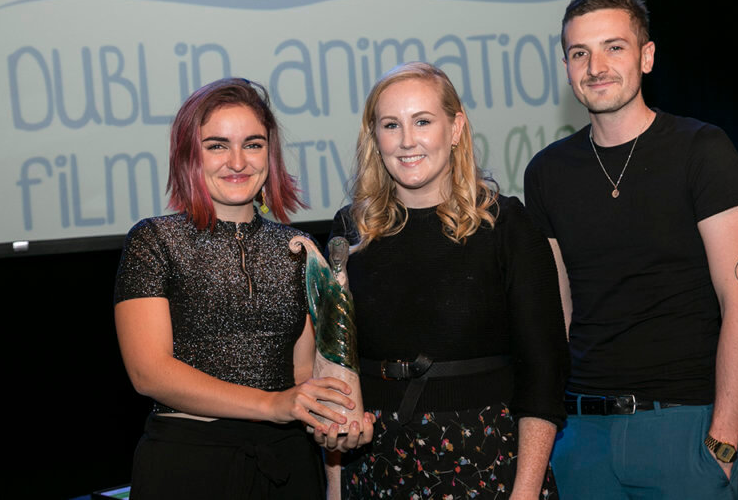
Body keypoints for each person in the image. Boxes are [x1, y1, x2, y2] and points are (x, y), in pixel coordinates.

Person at [524, 0, 738, 499]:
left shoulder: (703, 151)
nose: (596, 66)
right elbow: (558, 313)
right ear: (566, 67)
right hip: (582, 435)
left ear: (646, 57)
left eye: (614, 47)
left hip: (683, 429)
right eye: (579, 53)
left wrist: (722, 442)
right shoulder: (546, 172)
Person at [114, 77, 372, 500]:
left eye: (253, 144)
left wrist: (333, 425)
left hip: (288, 464)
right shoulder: (154, 241)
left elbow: (303, 375)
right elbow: (149, 373)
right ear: (188, 155)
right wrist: (273, 405)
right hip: (187, 464)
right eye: (217, 145)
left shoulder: (298, 248)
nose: (238, 161)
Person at [327, 62, 570, 499]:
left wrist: (526, 492)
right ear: (374, 138)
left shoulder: (507, 225)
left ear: (455, 128)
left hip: (486, 461)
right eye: (390, 125)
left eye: (422, 121)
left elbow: (543, 376)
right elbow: (334, 365)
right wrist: (335, 486)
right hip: (375, 465)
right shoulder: (351, 231)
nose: (406, 141)